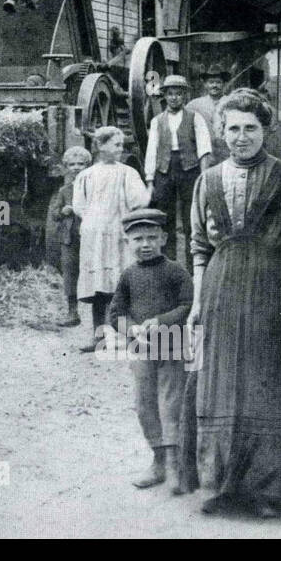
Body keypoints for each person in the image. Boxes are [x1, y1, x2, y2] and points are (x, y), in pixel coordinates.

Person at [188, 88, 281, 517]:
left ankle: (269, 489)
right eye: (232, 128)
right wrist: (199, 302)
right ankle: (219, 485)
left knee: (268, 385)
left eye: (250, 128)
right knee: (219, 384)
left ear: (265, 130)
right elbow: (199, 246)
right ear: (221, 132)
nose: (240, 137)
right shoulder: (207, 180)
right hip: (220, 288)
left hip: (273, 288)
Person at [107, 208, 193, 493]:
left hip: (171, 344)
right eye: (138, 239)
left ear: (164, 238)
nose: (145, 244)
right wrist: (130, 329)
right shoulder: (128, 275)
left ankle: (175, 465)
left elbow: (187, 304)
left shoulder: (176, 271)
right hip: (141, 349)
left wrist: (162, 320)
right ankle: (157, 460)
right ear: (127, 242)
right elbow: (115, 313)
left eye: (151, 238)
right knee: (145, 403)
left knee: (171, 402)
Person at [72, 125, 150, 352]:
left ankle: (126, 336)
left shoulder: (127, 172)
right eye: (116, 145)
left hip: (118, 233)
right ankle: (99, 336)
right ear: (100, 146)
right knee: (98, 287)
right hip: (94, 234)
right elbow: (79, 206)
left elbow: (140, 200)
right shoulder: (86, 175)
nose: (120, 149)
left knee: (119, 284)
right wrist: (94, 220)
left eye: (121, 145)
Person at [143, 75, 213, 264]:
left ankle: (194, 264)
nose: (174, 98)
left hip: (190, 170)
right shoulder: (157, 121)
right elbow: (151, 151)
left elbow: (204, 148)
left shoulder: (195, 117)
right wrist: (150, 181)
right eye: (170, 94)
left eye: (178, 94)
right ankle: (168, 261)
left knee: (192, 216)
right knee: (164, 217)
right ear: (165, 96)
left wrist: (203, 176)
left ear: (184, 96)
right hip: (164, 171)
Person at [46, 146, 92, 328]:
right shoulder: (65, 190)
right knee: (70, 273)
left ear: (88, 165)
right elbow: (54, 214)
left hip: (88, 235)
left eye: (80, 164)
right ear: (66, 167)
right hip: (69, 237)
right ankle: (72, 312)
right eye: (71, 164)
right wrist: (63, 211)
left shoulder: (93, 187)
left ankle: (100, 314)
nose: (76, 168)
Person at [186, 69, 230, 165]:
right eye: (211, 82)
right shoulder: (195, 104)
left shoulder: (231, 102)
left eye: (218, 82)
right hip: (205, 152)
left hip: (227, 151)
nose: (214, 85)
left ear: (224, 84)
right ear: (205, 84)